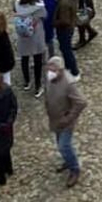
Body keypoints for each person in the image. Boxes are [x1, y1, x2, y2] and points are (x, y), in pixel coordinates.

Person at [41, 55, 85, 187]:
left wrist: (69, 117)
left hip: (65, 121)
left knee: (64, 146)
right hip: (55, 119)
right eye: (49, 68)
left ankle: (74, 169)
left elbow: (81, 102)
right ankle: (68, 160)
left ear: (60, 70)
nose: (50, 72)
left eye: (53, 69)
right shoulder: (50, 79)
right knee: (60, 143)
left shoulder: (68, 84)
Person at [11, 0, 48, 97]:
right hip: (36, 35)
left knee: (24, 59)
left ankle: (27, 81)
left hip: (23, 36)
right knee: (37, 61)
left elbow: (15, 10)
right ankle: (38, 86)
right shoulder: (38, 7)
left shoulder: (17, 3)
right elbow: (45, 15)